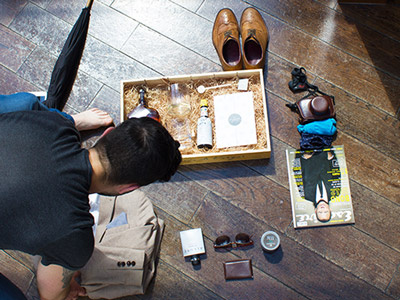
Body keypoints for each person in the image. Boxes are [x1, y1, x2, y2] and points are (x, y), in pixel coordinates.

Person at [0, 92, 181, 300]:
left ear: (106, 134)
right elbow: (50, 294)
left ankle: (77, 120)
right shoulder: (74, 236)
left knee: (26, 103)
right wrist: (65, 289)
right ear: (127, 189)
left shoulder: (53, 122)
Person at [297, 150, 341, 222]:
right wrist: (331, 156)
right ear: (330, 209)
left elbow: (299, 175)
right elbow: (336, 173)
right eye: (326, 211)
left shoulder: (306, 195)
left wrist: (304, 157)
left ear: (315, 210)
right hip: (325, 153)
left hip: (308, 154)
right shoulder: (336, 193)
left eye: (320, 212)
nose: (322, 209)